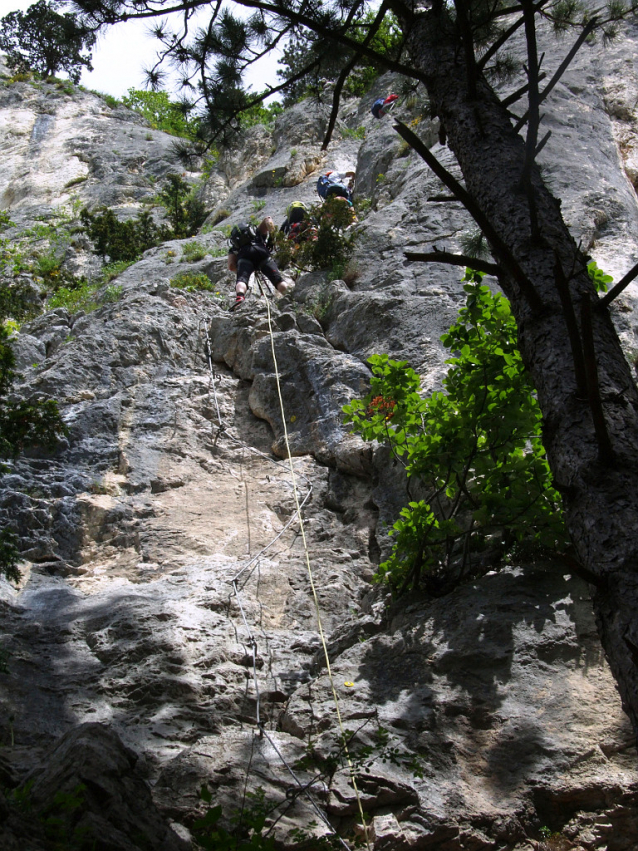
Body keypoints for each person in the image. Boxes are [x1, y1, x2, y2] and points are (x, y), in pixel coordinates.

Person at [227, 216, 287, 309]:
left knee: (242, 280)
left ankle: (240, 297)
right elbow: (268, 219)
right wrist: (271, 239)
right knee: (277, 280)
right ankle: (290, 296)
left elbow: (231, 266)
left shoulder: (234, 248)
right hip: (262, 252)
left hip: (244, 256)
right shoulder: (257, 233)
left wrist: (242, 271)